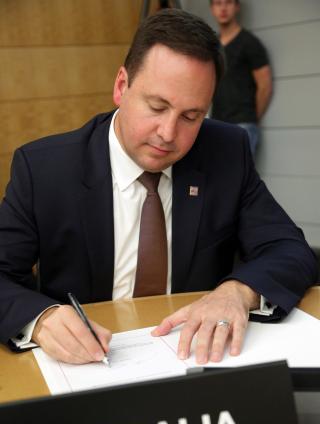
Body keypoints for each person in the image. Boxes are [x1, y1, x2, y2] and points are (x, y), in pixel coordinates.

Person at [0, 9, 317, 366]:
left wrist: (237, 292)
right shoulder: (44, 169)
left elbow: (289, 250)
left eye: (191, 116)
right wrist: (40, 320)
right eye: (157, 106)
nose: (168, 133)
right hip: (85, 365)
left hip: (192, 357)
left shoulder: (226, 152)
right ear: (121, 86)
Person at [209, 0, 273, 155]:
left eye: (228, 2)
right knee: (216, 176)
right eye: (218, 3)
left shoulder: (249, 43)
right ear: (212, 9)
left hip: (242, 126)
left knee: (237, 178)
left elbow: (265, 86)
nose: (223, 8)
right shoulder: (212, 46)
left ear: (237, 6)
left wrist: (251, 118)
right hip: (215, 124)